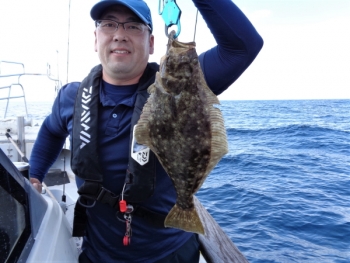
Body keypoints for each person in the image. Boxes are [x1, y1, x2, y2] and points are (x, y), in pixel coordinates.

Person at [29, 0, 263, 262]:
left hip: (169, 253)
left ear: (151, 43)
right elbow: (51, 131)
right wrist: (36, 175)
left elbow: (243, 47)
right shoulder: (70, 97)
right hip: (97, 254)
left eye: (133, 25)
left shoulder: (182, 82)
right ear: (96, 39)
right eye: (109, 24)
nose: (120, 34)